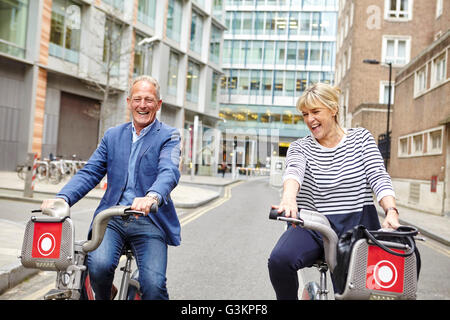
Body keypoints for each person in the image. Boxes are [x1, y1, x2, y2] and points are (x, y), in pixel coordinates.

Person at [41, 75, 181, 300]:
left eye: (148, 100)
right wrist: (63, 198)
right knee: (98, 267)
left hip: (149, 221)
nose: (142, 105)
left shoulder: (169, 136)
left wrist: (152, 197)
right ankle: (106, 293)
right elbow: (90, 172)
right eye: (137, 99)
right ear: (128, 102)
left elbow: (169, 171)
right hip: (111, 219)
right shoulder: (113, 135)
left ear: (158, 104)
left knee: (153, 285)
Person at [267, 82, 400, 300]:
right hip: (313, 226)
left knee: (352, 294)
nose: (310, 119)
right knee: (280, 261)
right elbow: (293, 173)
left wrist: (391, 211)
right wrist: (289, 199)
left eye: (316, 111)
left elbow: (378, 176)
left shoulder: (361, 139)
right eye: (305, 114)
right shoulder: (300, 147)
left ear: (333, 109)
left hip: (357, 227)